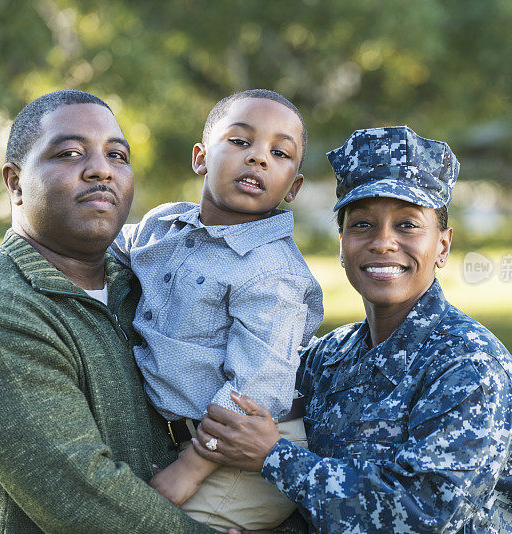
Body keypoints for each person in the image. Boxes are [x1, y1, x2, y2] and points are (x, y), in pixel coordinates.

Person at [193, 126, 512, 533]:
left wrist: (274, 457)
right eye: (362, 225)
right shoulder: (327, 359)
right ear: (341, 243)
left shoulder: (471, 368)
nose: (383, 242)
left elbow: (423, 511)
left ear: (442, 246)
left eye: (408, 225)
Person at [0, 90, 218, 533]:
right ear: (15, 182)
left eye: (117, 155)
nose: (101, 168)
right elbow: (89, 507)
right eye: (69, 152)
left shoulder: (145, 284)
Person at [110, 89, 323, 532]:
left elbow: (257, 384)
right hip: (186, 437)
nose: (258, 158)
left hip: (240, 454)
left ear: (293, 188)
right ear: (201, 157)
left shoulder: (273, 272)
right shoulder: (164, 225)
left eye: (279, 153)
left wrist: (190, 467)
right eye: (240, 142)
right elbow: (109, 248)